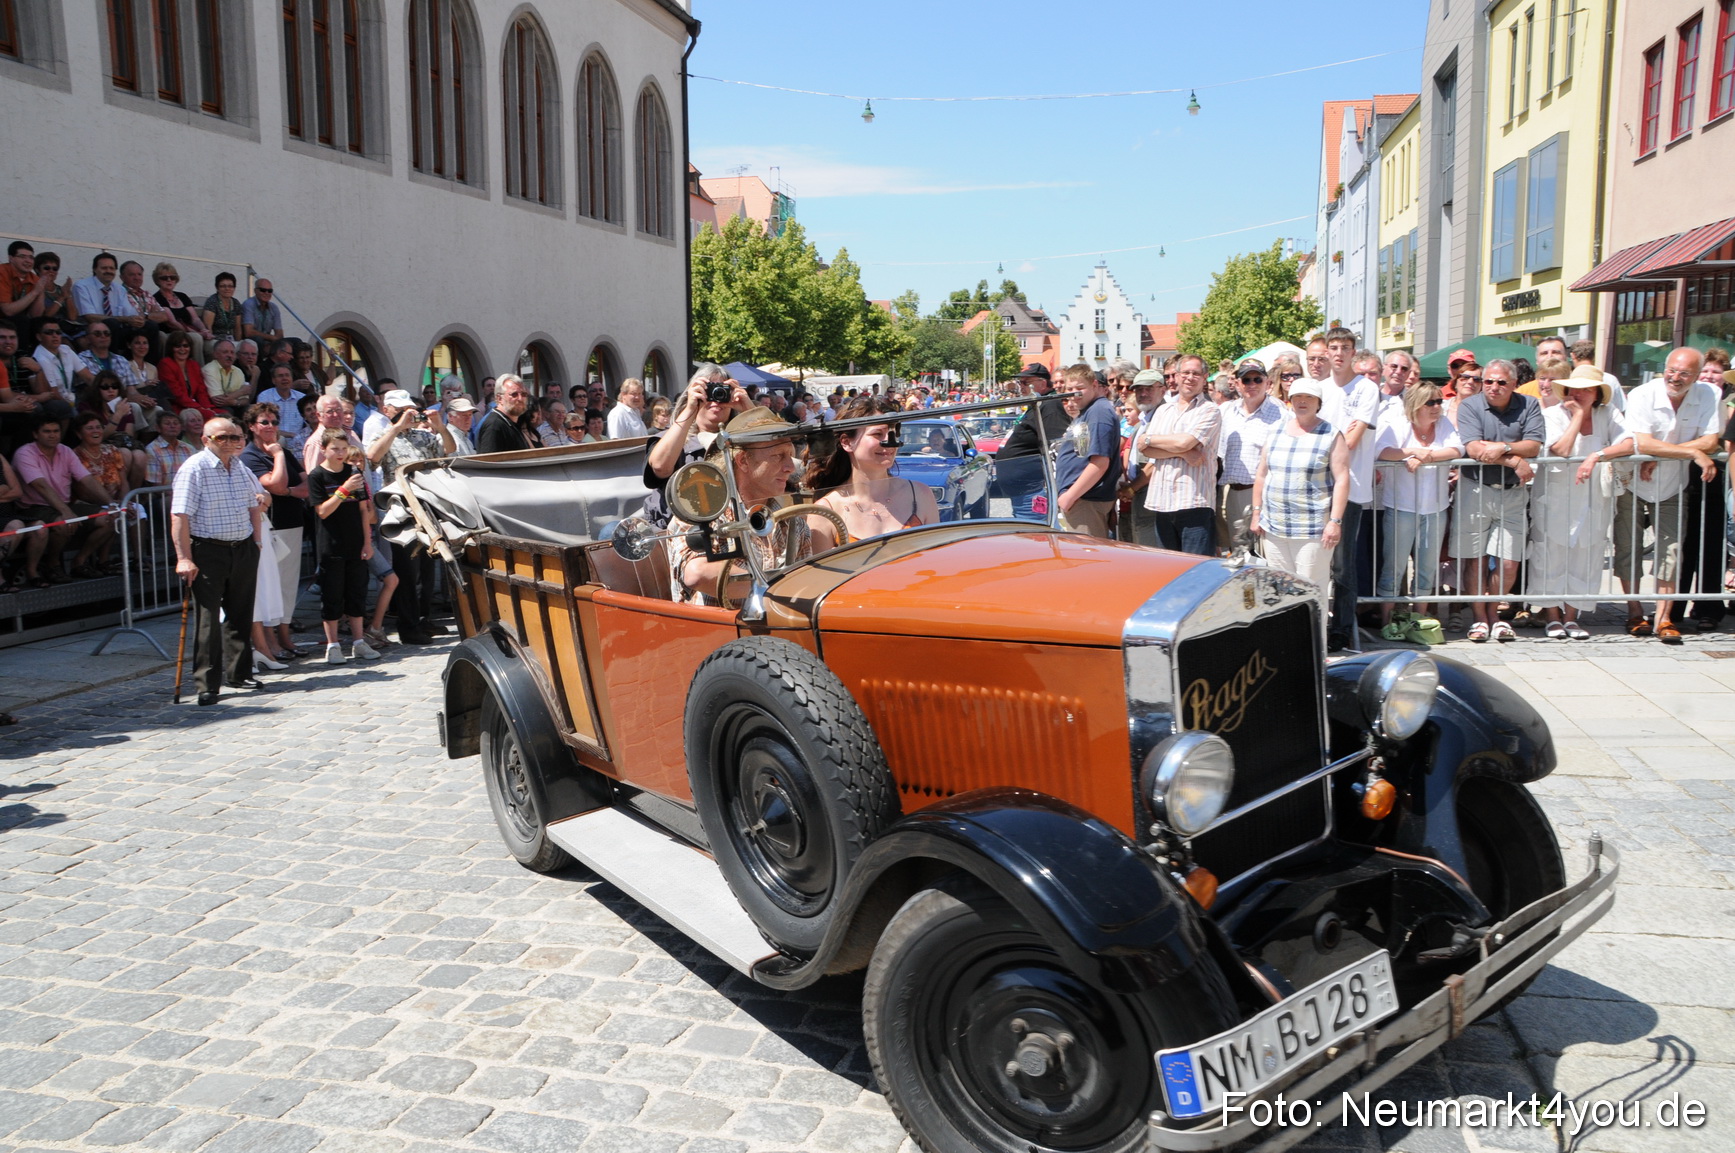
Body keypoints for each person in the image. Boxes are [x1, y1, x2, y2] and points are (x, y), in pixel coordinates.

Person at [1618, 346, 1722, 643]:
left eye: (1684, 373)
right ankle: (1635, 612)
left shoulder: (1708, 395)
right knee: (1629, 548)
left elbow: (1712, 440)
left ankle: (1664, 618)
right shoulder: (1643, 394)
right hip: (1632, 481)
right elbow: (1643, 441)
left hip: (1674, 485)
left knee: (1672, 552)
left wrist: (1666, 453)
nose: (1675, 378)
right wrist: (1690, 451)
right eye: (1671, 371)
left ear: (1697, 375)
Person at [667, 408, 815, 606]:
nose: (790, 467)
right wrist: (777, 588)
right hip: (715, 632)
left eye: (791, 455)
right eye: (779, 456)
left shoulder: (790, 519)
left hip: (780, 630)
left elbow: (808, 581)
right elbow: (697, 573)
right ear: (743, 461)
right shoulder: (700, 511)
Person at [1528, 366, 1631, 640]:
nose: (1581, 393)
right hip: (1556, 497)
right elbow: (1559, 449)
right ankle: (1552, 617)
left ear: (1598, 393)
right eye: (1577, 388)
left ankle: (1572, 617)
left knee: (1586, 557)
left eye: (1588, 388)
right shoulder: (1551, 414)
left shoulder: (1609, 414)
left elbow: (1628, 443)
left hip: (1593, 498)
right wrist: (1577, 417)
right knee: (1550, 556)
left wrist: (1596, 454)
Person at [172, 416, 267, 705]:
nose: (230, 443)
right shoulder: (194, 469)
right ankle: (206, 684)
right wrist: (183, 558)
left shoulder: (240, 467)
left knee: (241, 612)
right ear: (206, 440)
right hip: (207, 551)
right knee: (208, 619)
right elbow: (179, 516)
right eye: (222, 438)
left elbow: (256, 503)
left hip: (242, 548)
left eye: (235, 438)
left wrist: (257, 542)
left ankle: (239, 674)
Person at [1450, 359, 1545, 643]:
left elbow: (1535, 445)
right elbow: (1474, 447)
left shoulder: (1529, 405)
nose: (1493, 387)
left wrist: (1502, 448)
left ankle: (1495, 616)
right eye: (1487, 381)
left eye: (1501, 382)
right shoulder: (1470, 405)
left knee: (1508, 563)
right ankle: (1480, 619)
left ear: (1514, 383)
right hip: (1475, 489)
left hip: (1513, 493)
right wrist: (1515, 460)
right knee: (1475, 561)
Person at [1251, 380, 1350, 633]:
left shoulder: (1331, 434)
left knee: (1310, 590)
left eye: (1308, 397)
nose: (1302, 401)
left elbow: (1341, 479)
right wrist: (1256, 513)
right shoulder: (1275, 431)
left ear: (1318, 402)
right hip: (1274, 528)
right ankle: (1287, 651)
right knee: (1280, 592)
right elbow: (1262, 474)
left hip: (1313, 530)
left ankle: (1316, 653)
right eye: (1297, 397)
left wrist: (1335, 521)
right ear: (1289, 400)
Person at [365, 389, 454, 644]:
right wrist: (395, 429)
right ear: (388, 411)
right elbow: (372, 457)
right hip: (401, 513)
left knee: (427, 570)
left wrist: (440, 426)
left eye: (409, 409)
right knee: (407, 571)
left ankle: (423, 619)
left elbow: (448, 448)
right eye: (401, 409)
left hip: (426, 508)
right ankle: (408, 626)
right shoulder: (385, 436)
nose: (407, 413)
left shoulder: (422, 436)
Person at [1374, 383, 1461, 628]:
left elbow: (1457, 448)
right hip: (1401, 506)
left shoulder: (1443, 424)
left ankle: (1419, 620)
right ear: (1416, 405)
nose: (1437, 407)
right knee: (1394, 567)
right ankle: (1387, 622)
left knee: (1427, 568)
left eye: (1439, 401)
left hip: (1435, 507)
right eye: (1430, 402)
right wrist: (1411, 452)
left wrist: (1428, 456)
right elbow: (1382, 451)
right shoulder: (1398, 424)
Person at [805, 396, 938, 547]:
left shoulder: (921, 495)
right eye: (877, 434)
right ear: (847, 442)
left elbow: (937, 561)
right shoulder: (826, 512)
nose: (890, 442)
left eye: (893, 433)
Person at [241, 402, 310, 669]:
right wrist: (278, 454)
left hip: (293, 521)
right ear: (251, 426)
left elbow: (307, 487)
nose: (271, 427)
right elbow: (276, 483)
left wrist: (288, 491)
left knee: (288, 586)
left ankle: (285, 636)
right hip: (268, 527)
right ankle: (269, 641)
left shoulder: (288, 454)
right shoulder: (250, 456)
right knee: (269, 587)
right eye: (264, 422)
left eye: (274, 422)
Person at [307, 428, 382, 663]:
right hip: (330, 543)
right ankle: (333, 645)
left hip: (355, 542)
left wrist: (367, 541)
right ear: (324, 450)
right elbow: (322, 511)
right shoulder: (317, 476)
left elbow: (363, 510)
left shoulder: (354, 472)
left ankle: (359, 642)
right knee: (332, 594)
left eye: (342, 448)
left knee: (356, 592)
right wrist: (343, 491)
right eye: (334, 449)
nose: (339, 453)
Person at [643, 365, 750, 528]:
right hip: (675, 530)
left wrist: (748, 408)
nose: (715, 400)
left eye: (722, 391)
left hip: (732, 527)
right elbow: (660, 467)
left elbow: (779, 455)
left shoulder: (742, 440)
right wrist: (691, 407)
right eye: (709, 391)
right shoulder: (673, 437)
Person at [13, 413, 113, 585]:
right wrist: (66, 511)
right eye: (47, 431)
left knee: (112, 518)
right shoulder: (25, 453)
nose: (53, 435)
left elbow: (87, 479)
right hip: (33, 507)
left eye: (56, 431)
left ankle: (80, 562)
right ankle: (53, 565)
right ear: (36, 434)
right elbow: (41, 486)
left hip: (63, 504)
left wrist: (112, 503)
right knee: (63, 523)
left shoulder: (65, 450)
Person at [1141, 354, 1221, 555]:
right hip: (1163, 501)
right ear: (1176, 376)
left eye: (1196, 373)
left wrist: (1154, 440)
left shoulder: (1209, 410)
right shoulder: (1163, 411)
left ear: (1205, 378)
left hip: (1194, 502)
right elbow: (1144, 447)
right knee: (1167, 571)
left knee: (1196, 572)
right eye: (1185, 372)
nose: (1190, 377)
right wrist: (1184, 454)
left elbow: (1185, 441)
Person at [1217, 360, 1283, 563]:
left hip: (1263, 494)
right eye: (1246, 379)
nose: (1252, 384)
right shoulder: (1225, 411)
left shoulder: (1281, 414)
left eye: (1257, 379)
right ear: (1237, 384)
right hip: (1230, 492)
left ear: (1268, 382)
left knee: (1267, 556)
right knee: (1239, 556)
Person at [1051, 363, 1121, 537]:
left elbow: (1100, 462)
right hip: (1081, 499)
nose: (1074, 393)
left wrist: (1070, 497)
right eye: (1070, 388)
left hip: (1087, 500)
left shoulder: (1099, 412)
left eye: (1080, 388)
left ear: (1095, 385)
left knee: (1087, 557)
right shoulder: (1090, 410)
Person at [994, 363, 1070, 519]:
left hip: (1033, 490)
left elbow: (1057, 446)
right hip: (1024, 491)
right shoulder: (1038, 404)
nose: (1021, 387)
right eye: (1019, 382)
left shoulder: (1051, 406)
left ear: (1042, 383)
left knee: (1035, 538)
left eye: (1025, 382)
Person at [66, 414, 131, 570]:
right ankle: (81, 560)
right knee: (113, 516)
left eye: (98, 427)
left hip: (113, 501)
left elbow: (123, 481)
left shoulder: (112, 450)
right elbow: (82, 491)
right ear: (79, 433)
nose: (95, 431)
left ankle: (139, 560)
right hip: (85, 503)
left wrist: (125, 502)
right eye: (89, 428)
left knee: (138, 511)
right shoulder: (74, 455)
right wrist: (112, 504)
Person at [150, 263, 213, 363]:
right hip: (171, 333)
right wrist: (198, 333)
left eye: (172, 277)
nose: (169, 280)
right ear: (157, 280)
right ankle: (198, 371)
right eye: (164, 278)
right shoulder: (157, 298)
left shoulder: (182, 296)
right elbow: (173, 323)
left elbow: (195, 318)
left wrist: (204, 329)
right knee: (196, 338)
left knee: (213, 344)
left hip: (190, 331)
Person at [158, 331, 219, 420]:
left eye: (186, 346)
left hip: (196, 406)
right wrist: (200, 408)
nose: (182, 349)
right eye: (178, 346)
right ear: (171, 348)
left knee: (226, 414)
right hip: (178, 407)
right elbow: (176, 394)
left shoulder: (194, 365)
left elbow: (201, 391)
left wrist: (207, 407)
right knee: (212, 417)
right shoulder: (165, 364)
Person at [473, 373, 541, 453]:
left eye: (523, 394)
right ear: (499, 398)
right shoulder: (494, 425)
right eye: (514, 394)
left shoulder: (512, 423)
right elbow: (489, 463)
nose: (520, 399)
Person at [31, 318, 91, 404]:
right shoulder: (39, 358)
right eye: (49, 332)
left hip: (70, 397)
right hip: (56, 403)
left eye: (58, 332)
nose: (55, 335)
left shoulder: (65, 349)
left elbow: (88, 377)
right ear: (39, 337)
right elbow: (53, 393)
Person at [144, 410, 196, 485]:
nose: (172, 426)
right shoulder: (151, 449)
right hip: (163, 495)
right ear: (158, 428)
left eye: (175, 423)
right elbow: (154, 483)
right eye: (167, 423)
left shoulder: (189, 448)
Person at [202, 272, 244, 345]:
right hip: (215, 340)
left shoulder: (235, 303)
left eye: (230, 286)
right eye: (223, 286)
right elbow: (208, 328)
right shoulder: (212, 302)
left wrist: (238, 343)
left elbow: (237, 328)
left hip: (231, 340)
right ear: (217, 288)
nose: (227, 289)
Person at [241, 279, 283, 344]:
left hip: (268, 341)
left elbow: (279, 334)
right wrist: (271, 338)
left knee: (296, 341)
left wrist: (274, 340)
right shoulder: (248, 304)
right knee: (258, 340)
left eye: (270, 291)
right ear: (255, 291)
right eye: (263, 290)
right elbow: (248, 332)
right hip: (251, 343)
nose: (266, 293)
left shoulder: (274, 308)